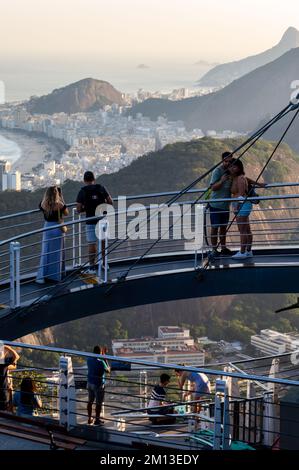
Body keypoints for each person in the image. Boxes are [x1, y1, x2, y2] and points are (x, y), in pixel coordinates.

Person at [76, 171, 113, 274]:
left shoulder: (82, 191)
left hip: (90, 220)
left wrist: (86, 209)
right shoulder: (101, 188)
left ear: (84, 180)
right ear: (94, 179)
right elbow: (111, 202)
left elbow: (78, 209)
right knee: (103, 242)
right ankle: (105, 264)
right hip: (102, 219)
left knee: (92, 244)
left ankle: (92, 266)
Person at [229, 159, 265, 259]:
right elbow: (248, 180)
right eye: (231, 166)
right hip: (244, 205)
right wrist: (260, 184)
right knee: (247, 229)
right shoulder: (239, 177)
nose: (232, 168)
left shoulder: (240, 178)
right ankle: (248, 251)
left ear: (239, 168)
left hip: (241, 205)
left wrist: (236, 207)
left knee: (242, 230)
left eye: (234, 166)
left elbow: (241, 195)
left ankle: (242, 252)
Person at [36, 186, 69, 284]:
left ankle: (42, 276)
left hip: (47, 228)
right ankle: (57, 276)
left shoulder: (44, 204)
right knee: (58, 252)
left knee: (46, 251)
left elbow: (41, 208)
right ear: (57, 194)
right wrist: (61, 198)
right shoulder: (59, 204)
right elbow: (66, 213)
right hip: (57, 228)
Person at [209, 151, 234, 256]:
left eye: (230, 161)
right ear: (222, 160)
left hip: (225, 205)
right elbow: (213, 187)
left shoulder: (231, 171)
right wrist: (222, 181)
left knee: (223, 227)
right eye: (226, 161)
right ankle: (214, 250)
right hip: (215, 205)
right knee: (215, 227)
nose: (228, 163)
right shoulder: (217, 171)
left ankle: (223, 248)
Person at [86, 345, 111, 425]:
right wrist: (105, 358)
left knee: (90, 401)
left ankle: (89, 418)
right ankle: (97, 420)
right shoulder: (101, 362)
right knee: (98, 403)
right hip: (98, 384)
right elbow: (108, 370)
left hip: (90, 383)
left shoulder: (88, 359)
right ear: (100, 353)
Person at [0, 344, 20, 411]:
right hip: (2, 391)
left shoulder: (4, 365)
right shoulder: (3, 364)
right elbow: (16, 356)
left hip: (4, 390)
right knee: (4, 409)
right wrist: (8, 348)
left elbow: (13, 366)